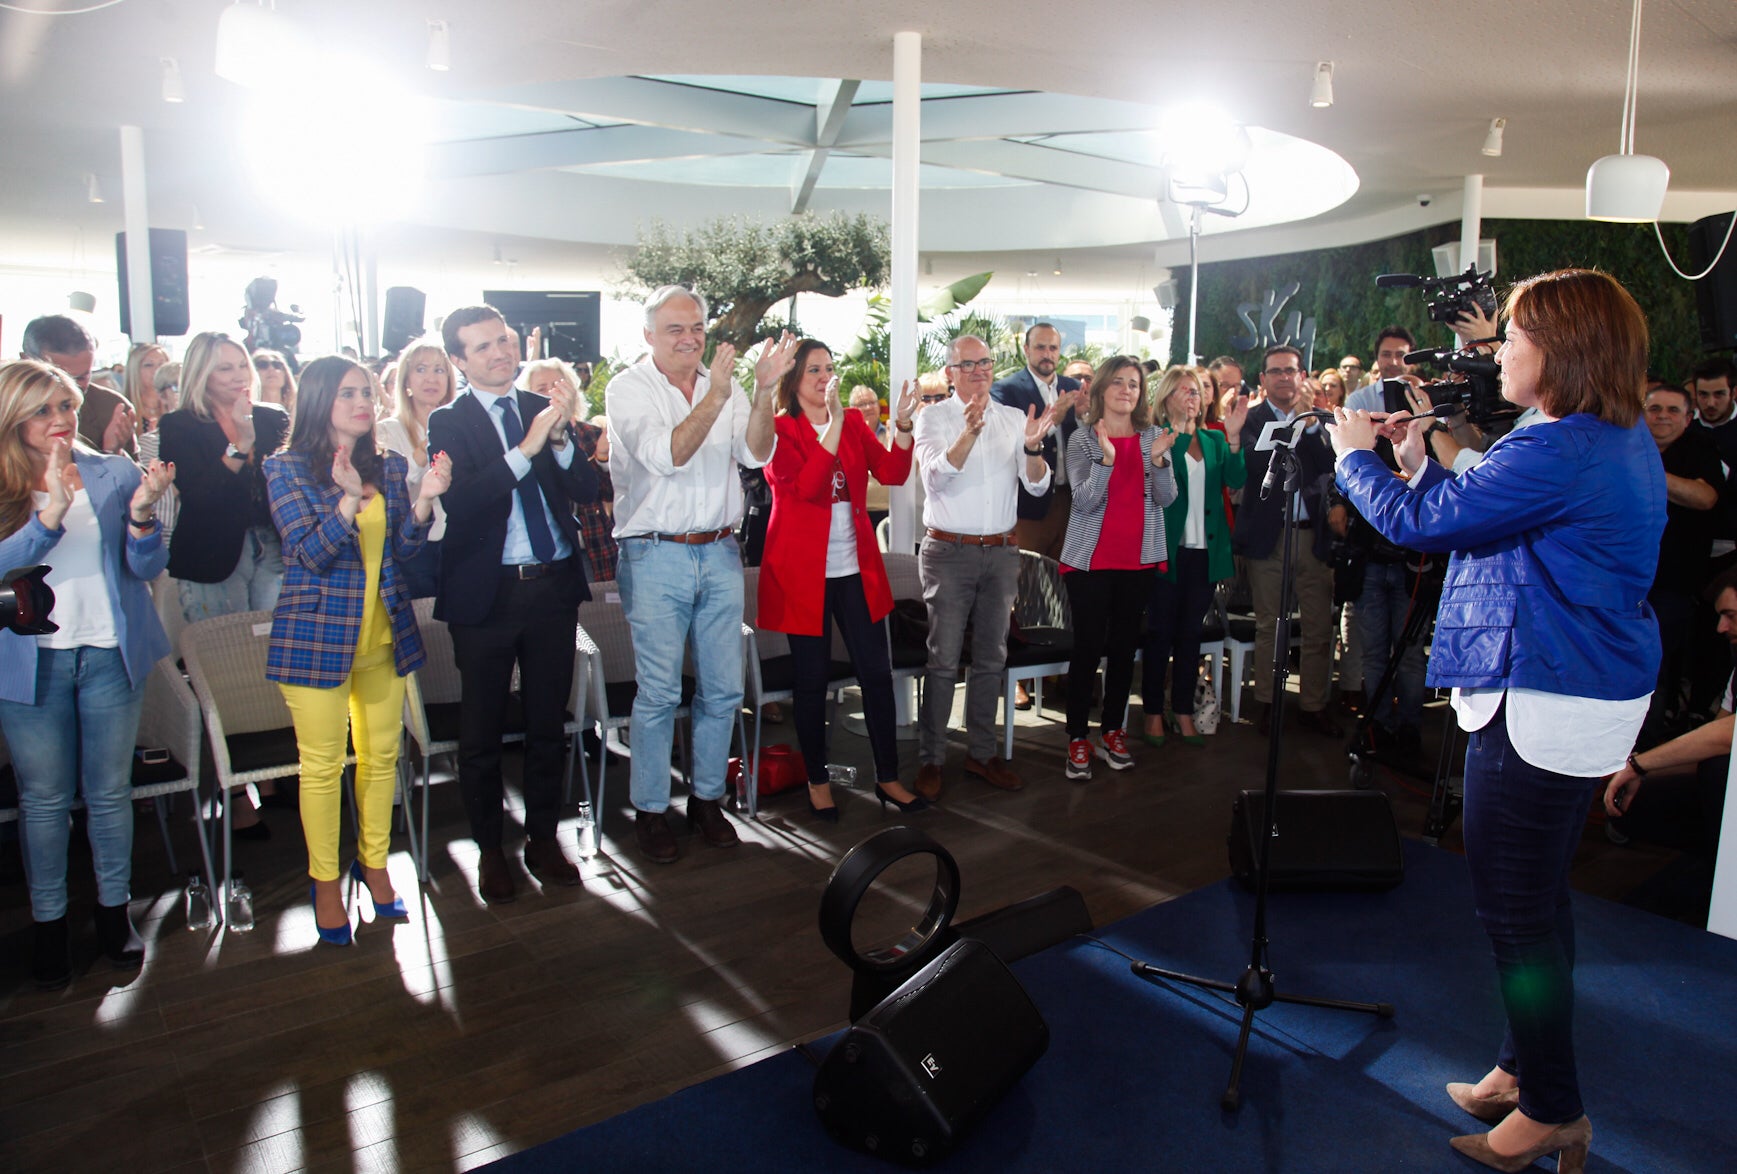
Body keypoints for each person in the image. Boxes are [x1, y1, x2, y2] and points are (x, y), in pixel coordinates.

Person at [1329, 268, 1663, 1171]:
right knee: (1539, 899)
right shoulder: (1598, 435)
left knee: (1515, 913)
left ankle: (1553, 1107)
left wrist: (1354, 458)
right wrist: (1422, 461)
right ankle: (1521, 1069)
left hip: (1545, 692)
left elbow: (1421, 525)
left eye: (1510, 336)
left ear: (1562, 350)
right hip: (1571, 683)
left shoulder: (1560, 447)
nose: (1497, 352)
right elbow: (1489, 505)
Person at [0, 360, 175, 988]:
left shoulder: (112, 470)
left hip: (108, 652)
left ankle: (112, 911)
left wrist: (143, 516)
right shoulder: (4, 480)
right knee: (44, 799)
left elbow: (145, 565)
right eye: (43, 410)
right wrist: (48, 517)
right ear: (13, 417)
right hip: (30, 662)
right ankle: (49, 922)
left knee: (108, 793)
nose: (60, 420)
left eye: (67, 406)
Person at [265, 356, 449, 946]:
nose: (363, 403)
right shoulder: (286, 468)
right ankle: (324, 881)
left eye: (367, 393)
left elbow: (403, 549)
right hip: (317, 639)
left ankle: (375, 865)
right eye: (348, 394)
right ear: (319, 401)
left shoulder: (388, 464)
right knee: (322, 768)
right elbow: (309, 554)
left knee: (381, 758)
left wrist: (423, 502)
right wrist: (346, 502)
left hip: (384, 635)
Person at [606, 286, 792, 863]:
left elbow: (757, 453)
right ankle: (651, 810)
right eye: (675, 329)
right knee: (660, 692)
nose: (689, 339)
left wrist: (763, 391)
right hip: (654, 553)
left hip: (719, 551)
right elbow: (666, 455)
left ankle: (708, 800)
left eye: (697, 328)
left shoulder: (727, 384)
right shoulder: (628, 388)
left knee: (724, 688)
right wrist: (716, 395)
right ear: (648, 336)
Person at [430, 305, 601, 901]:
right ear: (459, 360)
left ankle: (543, 839)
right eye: (481, 347)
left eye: (502, 341)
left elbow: (588, 489)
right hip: (487, 594)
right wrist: (527, 449)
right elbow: (464, 502)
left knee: (547, 724)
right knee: (480, 733)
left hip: (551, 586)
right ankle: (489, 849)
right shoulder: (448, 421)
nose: (500, 353)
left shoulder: (539, 407)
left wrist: (558, 441)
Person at [759, 340, 923, 817]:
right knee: (811, 681)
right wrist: (832, 423)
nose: (825, 377)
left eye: (829, 368)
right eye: (814, 370)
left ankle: (888, 778)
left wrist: (904, 426)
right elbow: (809, 487)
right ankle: (817, 780)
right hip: (802, 574)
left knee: (876, 674)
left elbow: (892, 472)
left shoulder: (852, 422)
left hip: (854, 568)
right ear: (792, 380)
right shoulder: (778, 430)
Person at [911, 335, 1061, 799]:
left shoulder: (1014, 418)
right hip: (948, 552)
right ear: (950, 372)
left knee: (992, 657)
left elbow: (1037, 487)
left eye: (985, 363)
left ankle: (981, 753)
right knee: (943, 660)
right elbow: (936, 477)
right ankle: (932, 758)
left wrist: (1032, 450)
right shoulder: (933, 417)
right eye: (968, 364)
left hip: (1000, 552)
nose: (979, 371)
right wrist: (969, 433)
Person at [1057, 357, 1177, 780]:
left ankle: (1112, 731)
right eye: (1119, 382)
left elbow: (1166, 498)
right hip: (1091, 561)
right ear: (1102, 389)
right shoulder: (1082, 439)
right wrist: (1106, 462)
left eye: (1134, 384)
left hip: (1137, 559)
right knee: (1088, 648)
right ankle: (1077, 737)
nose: (1127, 390)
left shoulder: (1154, 437)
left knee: (1125, 650)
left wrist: (1159, 462)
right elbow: (1084, 500)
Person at [1236, 345, 1341, 736]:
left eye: (1290, 371)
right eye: (1275, 371)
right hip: (1269, 539)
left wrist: (1311, 426)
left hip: (1312, 537)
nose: (1283, 377)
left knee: (1318, 628)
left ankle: (1313, 705)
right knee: (1270, 626)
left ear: (1302, 376)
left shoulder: (1320, 420)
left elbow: (1332, 466)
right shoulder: (1249, 419)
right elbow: (1251, 466)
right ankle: (1267, 702)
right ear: (1263, 379)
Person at [1142, 365, 1247, 746]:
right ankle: (1153, 712)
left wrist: (1233, 439)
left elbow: (1235, 480)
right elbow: (1162, 485)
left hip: (1205, 552)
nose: (1192, 396)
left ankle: (1183, 710)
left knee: (1190, 636)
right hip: (1168, 552)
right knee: (1160, 634)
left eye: (1196, 391)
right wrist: (1182, 430)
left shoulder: (1214, 439)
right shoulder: (1156, 438)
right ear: (1166, 396)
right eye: (1183, 390)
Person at [160, 332, 290, 622]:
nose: (239, 375)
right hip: (211, 552)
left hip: (272, 547)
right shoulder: (180, 425)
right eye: (225, 368)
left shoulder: (273, 417)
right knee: (227, 646)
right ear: (202, 374)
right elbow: (199, 495)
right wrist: (241, 446)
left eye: (242, 365)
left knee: (277, 642)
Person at [992, 323, 1081, 561]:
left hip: (1070, 501)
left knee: (1066, 577)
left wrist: (1085, 418)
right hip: (1029, 505)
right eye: (1040, 347)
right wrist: (1052, 422)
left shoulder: (1073, 388)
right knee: (1026, 575)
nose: (1047, 354)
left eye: (1053, 348)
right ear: (1026, 350)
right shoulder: (1005, 390)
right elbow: (1007, 443)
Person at [523, 357, 616, 583]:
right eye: (541, 389)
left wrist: (602, 458)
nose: (551, 394)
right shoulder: (524, 443)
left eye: (558, 386)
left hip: (596, 548)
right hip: (549, 555)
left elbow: (609, 494)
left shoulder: (593, 434)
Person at [375, 336, 455, 598]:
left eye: (439, 370)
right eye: (421, 369)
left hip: (459, 541)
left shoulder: (460, 425)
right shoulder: (387, 431)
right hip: (414, 546)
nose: (431, 378)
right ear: (406, 381)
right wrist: (422, 451)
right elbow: (397, 486)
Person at [123, 342, 170, 435]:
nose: (157, 370)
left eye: (162, 364)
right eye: (149, 365)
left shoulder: (177, 408)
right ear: (134, 370)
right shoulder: (124, 412)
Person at [251, 349, 297, 416]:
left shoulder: (297, 411)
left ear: (285, 374)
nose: (271, 368)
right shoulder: (247, 412)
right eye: (263, 365)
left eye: (277, 365)